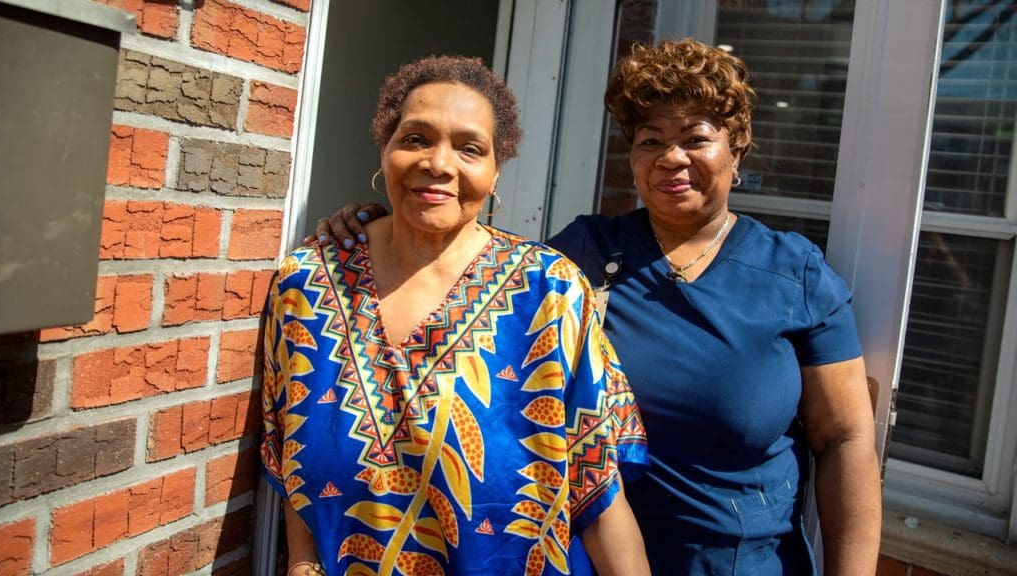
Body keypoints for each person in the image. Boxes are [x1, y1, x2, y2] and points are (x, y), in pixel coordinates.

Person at [313, 39, 882, 575]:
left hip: (737, 563)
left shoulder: (793, 275)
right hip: (587, 554)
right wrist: (385, 228)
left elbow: (846, 439)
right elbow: (470, 274)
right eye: (650, 141)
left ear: (737, 147)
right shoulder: (583, 254)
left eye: (695, 138)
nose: (671, 158)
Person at [261, 55, 651, 576]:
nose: (439, 164)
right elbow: (294, 456)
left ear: (495, 173)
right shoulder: (305, 285)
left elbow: (599, 493)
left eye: (470, 148)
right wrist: (302, 563)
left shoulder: (550, 293)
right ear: (385, 147)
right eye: (416, 138)